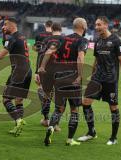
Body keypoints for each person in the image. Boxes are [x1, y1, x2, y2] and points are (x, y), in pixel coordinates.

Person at [77, 16, 121, 145]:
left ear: (106, 25)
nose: (96, 27)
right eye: (95, 25)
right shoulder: (98, 41)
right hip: (96, 78)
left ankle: (113, 137)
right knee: (85, 102)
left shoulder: (116, 41)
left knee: (113, 107)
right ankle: (91, 132)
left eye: (99, 25)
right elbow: (96, 60)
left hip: (110, 80)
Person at [39, 18, 88, 146]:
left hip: (59, 77)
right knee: (74, 110)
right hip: (72, 77)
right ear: (83, 27)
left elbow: (49, 51)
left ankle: (50, 128)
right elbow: (80, 57)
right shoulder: (82, 40)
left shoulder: (62, 38)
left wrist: (42, 66)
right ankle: (70, 139)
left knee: (59, 108)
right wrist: (80, 75)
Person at [0, 18, 32, 137]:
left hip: (18, 71)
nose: (4, 26)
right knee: (19, 99)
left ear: (12, 25)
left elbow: (1, 55)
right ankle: (18, 126)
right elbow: (6, 44)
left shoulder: (13, 38)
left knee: (6, 99)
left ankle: (18, 120)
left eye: (6, 25)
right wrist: (3, 33)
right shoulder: (21, 36)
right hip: (27, 70)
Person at [33, 20, 53, 127]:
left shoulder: (39, 35)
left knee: (42, 89)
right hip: (53, 66)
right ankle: (54, 121)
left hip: (41, 65)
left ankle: (46, 118)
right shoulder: (55, 37)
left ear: (45, 25)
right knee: (51, 91)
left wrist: (37, 71)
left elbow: (37, 51)